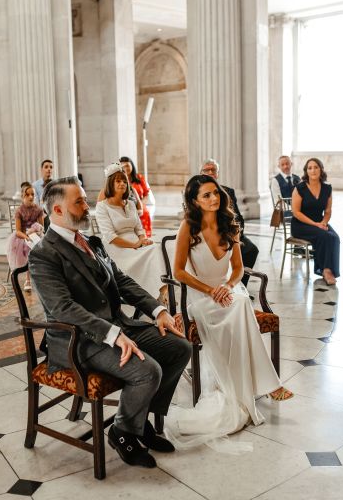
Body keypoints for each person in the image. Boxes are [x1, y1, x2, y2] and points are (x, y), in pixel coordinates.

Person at [28, 176, 191, 469]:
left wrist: (158, 311)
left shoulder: (91, 242)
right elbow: (62, 308)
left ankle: (139, 422)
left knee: (180, 347)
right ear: (57, 211)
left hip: (118, 326)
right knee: (147, 371)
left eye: (84, 198)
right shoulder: (44, 254)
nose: (86, 204)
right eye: (78, 201)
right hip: (79, 341)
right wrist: (113, 335)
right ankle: (123, 432)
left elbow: (122, 281)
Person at [165, 174, 292, 449]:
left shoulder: (229, 225)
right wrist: (211, 291)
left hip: (227, 290)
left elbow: (237, 268)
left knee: (241, 302)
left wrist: (228, 286)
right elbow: (178, 272)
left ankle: (257, 383)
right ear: (195, 201)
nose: (213, 199)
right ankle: (269, 384)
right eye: (206, 195)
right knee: (241, 306)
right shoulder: (188, 226)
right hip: (200, 296)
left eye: (215, 193)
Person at [95, 163, 165, 300]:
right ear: (110, 184)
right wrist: (134, 245)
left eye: (124, 181)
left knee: (156, 248)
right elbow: (110, 236)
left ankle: (162, 291)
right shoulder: (102, 207)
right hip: (116, 248)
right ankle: (161, 293)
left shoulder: (130, 204)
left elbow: (139, 228)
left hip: (136, 242)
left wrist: (143, 239)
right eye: (118, 181)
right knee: (152, 252)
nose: (122, 184)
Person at [200, 159, 258, 287]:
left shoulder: (228, 191)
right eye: (207, 170)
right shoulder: (197, 193)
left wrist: (238, 232)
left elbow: (238, 216)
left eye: (213, 170)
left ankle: (241, 287)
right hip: (211, 234)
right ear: (201, 173)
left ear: (218, 173)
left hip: (231, 232)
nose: (210, 172)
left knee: (251, 250)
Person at [291, 158, 340, 285]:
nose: (313, 170)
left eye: (316, 167)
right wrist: (315, 224)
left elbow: (328, 211)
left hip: (320, 223)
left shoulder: (327, 188)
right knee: (324, 236)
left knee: (334, 237)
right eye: (310, 168)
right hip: (300, 224)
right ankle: (325, 270)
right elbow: (296, 212)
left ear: (321, 169)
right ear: (306, 171)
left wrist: (323, 222)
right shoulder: (299, 188)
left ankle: (330, 270)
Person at [7, 182, 44, 291]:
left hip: (35, 235)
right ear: (23, 196)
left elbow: (41, 226)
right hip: (22, 236)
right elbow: (18, 231)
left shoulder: (38, 209)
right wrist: (26, 237)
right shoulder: (19, 211)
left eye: (32, 194)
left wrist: (37, 232)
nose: (31, 197)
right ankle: (28, 279)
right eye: (27, 195)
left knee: (45, 246)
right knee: (28, 247)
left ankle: (43, 275)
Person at [119, 156, 153, 237]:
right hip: (124, 204)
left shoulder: (139, 178)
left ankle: (145, 236)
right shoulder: (119, 179)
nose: (126, 168)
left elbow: (146, 194)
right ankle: (130, 236)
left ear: (132, 166)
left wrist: (140, 204)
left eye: (127, 165)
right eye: (123, 166)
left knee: (145, 212)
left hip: (139, 202)